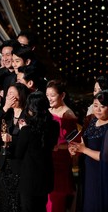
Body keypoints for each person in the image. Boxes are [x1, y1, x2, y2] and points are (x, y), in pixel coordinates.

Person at [10, 91, 59, 212]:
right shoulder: (54, 125)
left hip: (29, 178)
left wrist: (21, 131)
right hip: (45, 175)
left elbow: (18, 153)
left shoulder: (27, 129)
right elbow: (51, 145)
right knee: (41, 207)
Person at [0, 82, 30, 212]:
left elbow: (27, 140)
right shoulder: (7, 114)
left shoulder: (28, 115)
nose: (9, 98)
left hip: (20, 164)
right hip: (5, 163)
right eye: (8, 95)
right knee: (5, 201)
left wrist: (12, 139)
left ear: (22, 96)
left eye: (13, 95)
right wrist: (5, 107)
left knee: (18, 203)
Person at [68, 90, 108, 212]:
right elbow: (84, 145)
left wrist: (84, 150)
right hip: (87, 170)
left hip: (101, 173)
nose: (98, 109)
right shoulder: (92, 122)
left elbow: (105, 157)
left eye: (102, 106)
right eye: (95, 106)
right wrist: (76, 150)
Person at [45, 79, 78, 212]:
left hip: (60, 161)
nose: (49, 98)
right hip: (48, 158)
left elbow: (74, 142)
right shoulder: (47, 111)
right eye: (47, 95)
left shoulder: (68, 115)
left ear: (62, 95)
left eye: (52, 95)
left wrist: (59, 147)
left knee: (56, 197)